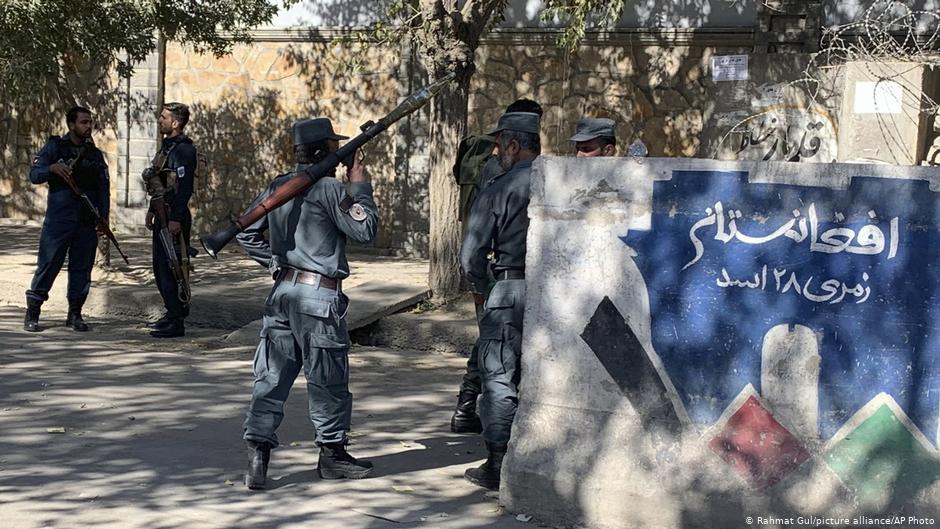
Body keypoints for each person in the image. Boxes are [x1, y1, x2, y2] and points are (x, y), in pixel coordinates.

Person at [235, 118, 379, 490]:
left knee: (271, 376)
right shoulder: (330, 188)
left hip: (282, 294)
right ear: (323, 152)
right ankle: (332, 455)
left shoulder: (279, 185)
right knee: (327, 379)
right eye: (335, 148)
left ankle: (258, 453)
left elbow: (248, 233)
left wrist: (276, 263)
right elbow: (365, 230)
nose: (338, 153)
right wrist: (360, 185)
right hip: (317, 298)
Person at [450, 98, 543, 435]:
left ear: (513, 144)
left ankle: (497, 457)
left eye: (501, 143)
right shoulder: (556, 182)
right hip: (544, 291)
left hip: (506, 286)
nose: (497, 149)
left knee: (499, 371)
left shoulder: (499, 183)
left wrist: (486, 287)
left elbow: (471, 252)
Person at [24, 106, 109, 333]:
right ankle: (33, 311)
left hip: (85, 220)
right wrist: (52, 167)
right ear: (71, 125)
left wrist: (103, 218)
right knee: (49, 264)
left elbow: (103, 188)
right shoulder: (55, 147)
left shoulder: (95, 154)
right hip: (59, 220)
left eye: (90, 122)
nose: (89, 126)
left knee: (82, 268)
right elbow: (35, 175)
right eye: (84, 122)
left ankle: (75, 314)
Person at [145, 102, 197, 338]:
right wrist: (151, 211)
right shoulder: (167, 149)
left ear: (175, 123)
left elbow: (184, 188)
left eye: (164, 117)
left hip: (173, 216)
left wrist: (175, 218)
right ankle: (171, 313)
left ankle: (177, 320)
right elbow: (158, 184)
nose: (160, 120)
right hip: (162, 213)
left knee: (173, 268)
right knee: (160, 267)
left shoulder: (184, 150)